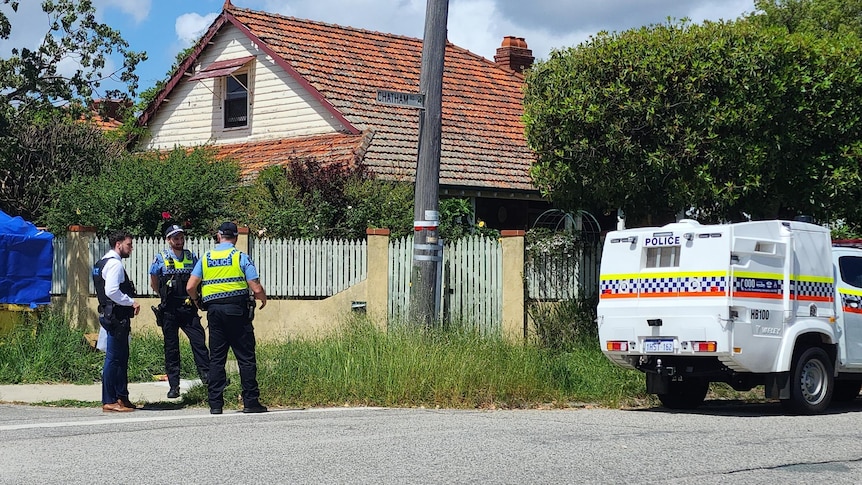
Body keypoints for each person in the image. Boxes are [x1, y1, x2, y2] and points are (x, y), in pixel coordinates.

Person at [186, 222, 268, 414]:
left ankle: (215, 404)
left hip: (214, 312)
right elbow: (255, 287)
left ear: (218, 236)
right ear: (236, 238)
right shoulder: (240, 256)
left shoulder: (206, 258)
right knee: (246, 358)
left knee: (217, 358)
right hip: (237, 312)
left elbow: (190, 287)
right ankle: (250, 402)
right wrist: (262, 298)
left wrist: (197, 300)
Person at [149, 224, 210, 399]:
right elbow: (154, 281)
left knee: (199, 343)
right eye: (175, 238)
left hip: (189, 308)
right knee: (171, 348)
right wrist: (163, 296)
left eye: (181, 238)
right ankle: (174, 386)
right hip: (169, 309)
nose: (179, 241)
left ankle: (207, 379)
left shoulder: (191, 257)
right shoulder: (160, 258)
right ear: (168, 240)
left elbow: (198, 279)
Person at [93, 230, 141, 413]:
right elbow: (112, 291)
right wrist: (131, 302)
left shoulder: (101, 262)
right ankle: (110, 399)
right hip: (116, 317)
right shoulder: (115, 264)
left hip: (111, 315)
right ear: (118, 244)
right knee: (114, 359)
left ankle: (122, 397)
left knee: (121, 358)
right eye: (129, 244)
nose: (131, 248)